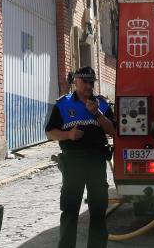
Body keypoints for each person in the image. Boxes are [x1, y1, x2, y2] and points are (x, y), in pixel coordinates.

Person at [45, 66, 116, 248]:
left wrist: (97, 113)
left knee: (98, 210)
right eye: (84, 82)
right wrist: (68, 136)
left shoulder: (102, 104)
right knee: (69, 212)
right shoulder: (63, 104)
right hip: (73, 162)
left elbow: (114, 131)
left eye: (91, 82)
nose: (88, 86)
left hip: (96, 161)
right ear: (76, 82)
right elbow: (50, 133)